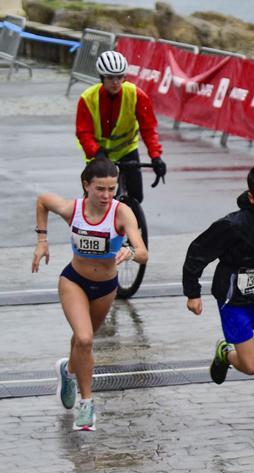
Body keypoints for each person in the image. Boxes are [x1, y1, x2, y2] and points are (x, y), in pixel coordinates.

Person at [182, 164, 254, 439]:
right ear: (251, 197)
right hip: (232, 296)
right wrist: (192, 293)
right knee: (249, 366)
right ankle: (225, 353)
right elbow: (197, 252)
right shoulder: (233, 224)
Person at [32, 157, 148, 431]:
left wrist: (130, 251)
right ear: (86, 185)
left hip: (106, 288)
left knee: (82, 343)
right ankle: (87, 405)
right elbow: (43, 201)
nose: (107, 195)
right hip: (74, 281)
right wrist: (41, 241)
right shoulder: (73, 209)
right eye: (100, 189)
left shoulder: (121, 213)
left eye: (112, 188)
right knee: (84, 339)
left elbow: (143, 253)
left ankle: (69, 371)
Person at [75, 50, 167, 204]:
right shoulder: (87, 98)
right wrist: (96, 152)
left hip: (127, 152)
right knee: (98, 200)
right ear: (102, 78)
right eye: (110, 78)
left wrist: (156, 156)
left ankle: (130, 224)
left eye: (120, 77)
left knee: (136, 198)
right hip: (99, 153)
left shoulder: (136, 95)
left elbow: (148, 129)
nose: (116, 82)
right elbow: (84, 132)